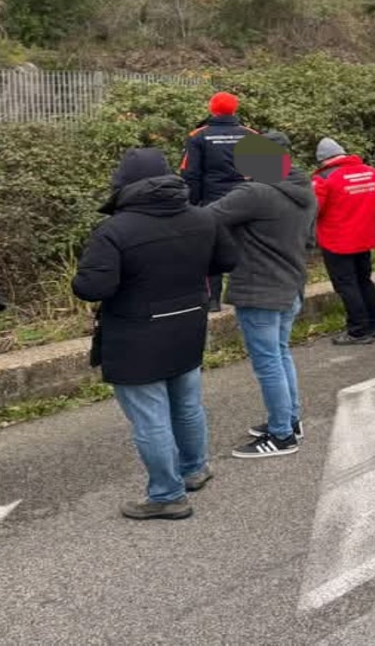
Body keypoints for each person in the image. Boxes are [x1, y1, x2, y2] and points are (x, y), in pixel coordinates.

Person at [72, 148, 239, 520]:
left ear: (124, 184)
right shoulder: (201, 217)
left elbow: (92, 287)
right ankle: (194, 468)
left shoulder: (114, 230)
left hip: (136, 334)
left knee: (150, 418)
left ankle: (166, 494)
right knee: (187, 404)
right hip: (188, 323)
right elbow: (227, 260)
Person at [207, 131, 318, 458]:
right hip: (290, 285)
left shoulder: (255, 193)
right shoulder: (304, 189)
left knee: (268, 362)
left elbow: (203, 219)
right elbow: (310, 241)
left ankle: (282, 436)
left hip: (259, 289)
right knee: (280, 355)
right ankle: (289, 420)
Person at [181, 91, 258, 312]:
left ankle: (213, 300)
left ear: (212, 109)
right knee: (246, 247)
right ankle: (247, 294)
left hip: (213, 202)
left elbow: (191, 174)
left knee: (212, 249)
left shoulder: (199, 136)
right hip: (247, 199)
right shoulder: (251, 134)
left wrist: (192, 203)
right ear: (235, 109)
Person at [312, 137, 375, 346]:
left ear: (322, 159)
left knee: (346, 285)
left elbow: (314, 209)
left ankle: (357, 330)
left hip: (336, 240)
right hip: (364, 237)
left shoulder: (324, 178)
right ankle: (373, 324)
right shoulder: (372, 172)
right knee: (364, 281)